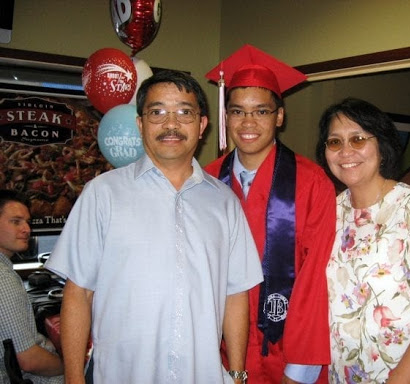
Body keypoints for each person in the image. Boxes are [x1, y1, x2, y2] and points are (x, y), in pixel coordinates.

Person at [45, 70, 263, 384]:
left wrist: (238, 373)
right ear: (140, 123)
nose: (171, 124)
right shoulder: (102, 194)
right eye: (157, 112)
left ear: (202, 125)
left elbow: (235, 295)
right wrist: (74, 378)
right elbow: (79, 294)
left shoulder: (225, 202)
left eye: (184, 113)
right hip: (121, 375)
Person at [205, 44, 336, 384]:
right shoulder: (204, 181)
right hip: (216, 355)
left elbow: (315, 281)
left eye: (261, 111)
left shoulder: (311, 183)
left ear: (279, 116)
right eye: (237, 111)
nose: (248, 122)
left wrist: (300, 370)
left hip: (287, 358)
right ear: (226, 116)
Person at [316, 97, 410, 383]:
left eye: (358, 139)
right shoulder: (330, 213)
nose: (346, 151)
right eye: (334, 142)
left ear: (381, 147)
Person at [0, 189, 64, 384]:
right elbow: (28, 360)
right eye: (16, 221)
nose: (27, 229)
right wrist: (73, 368)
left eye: (27, 222)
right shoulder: (3, 279)